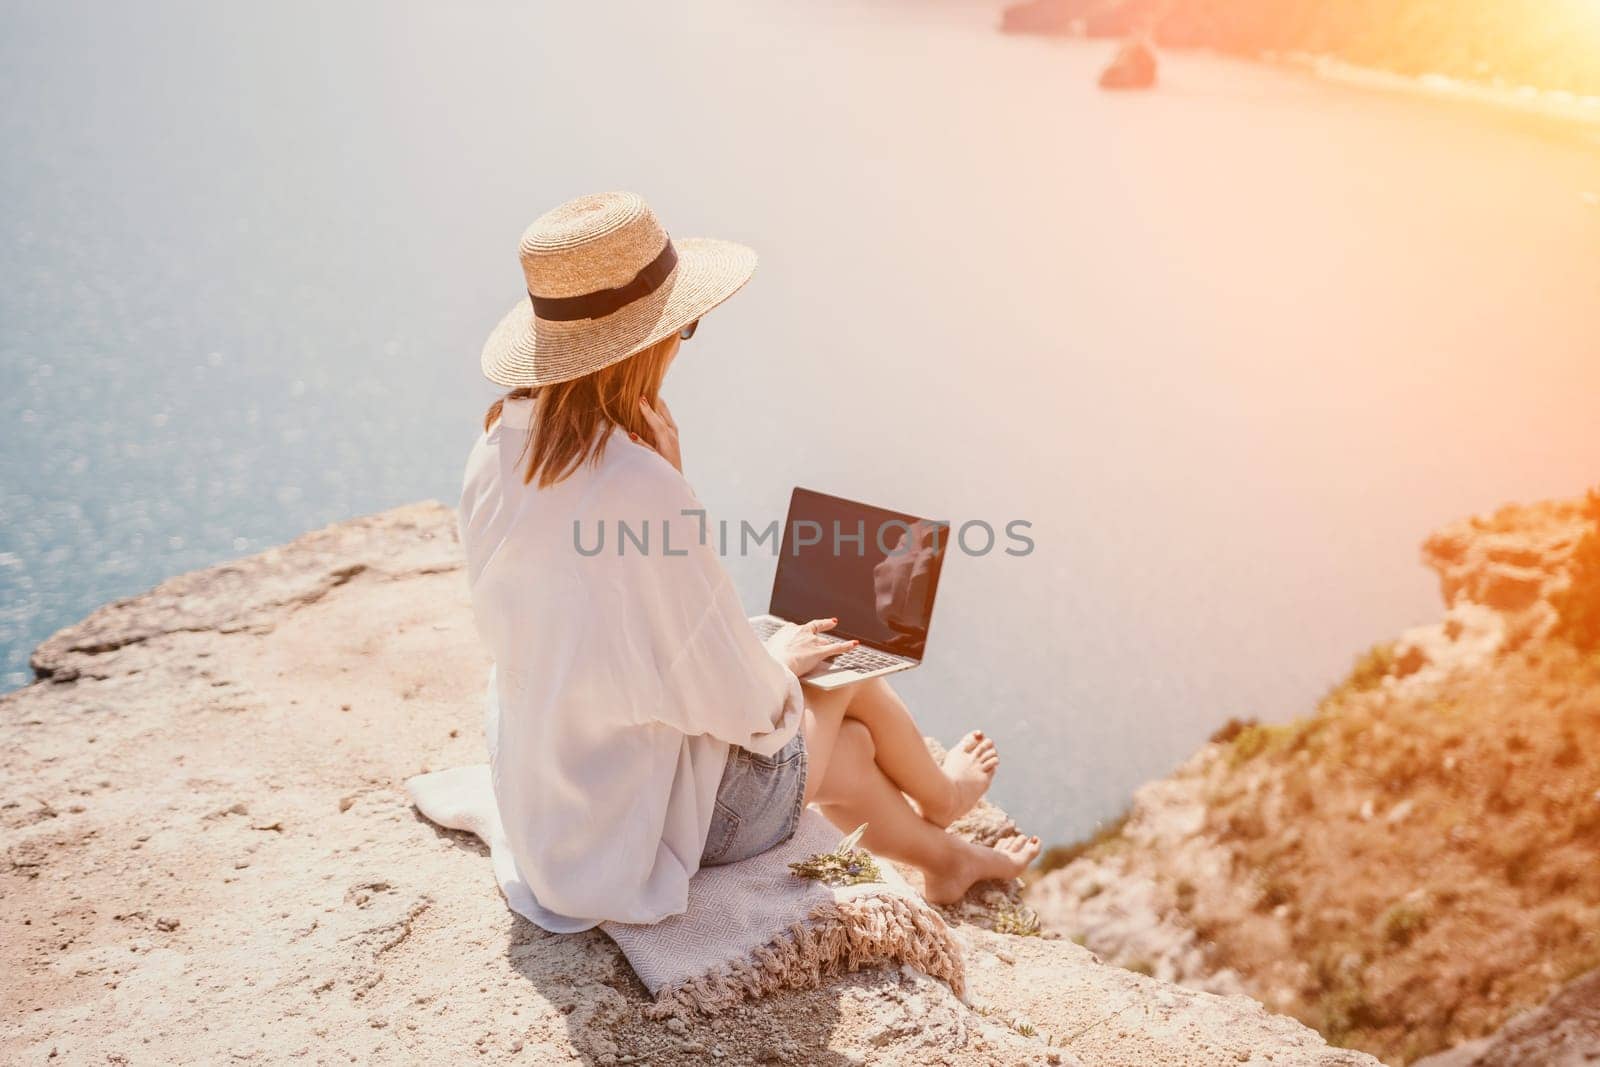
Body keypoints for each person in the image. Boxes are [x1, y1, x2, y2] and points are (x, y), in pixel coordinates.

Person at [458, 191, 1040, 933]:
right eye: (684, 326)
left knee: (849, 744)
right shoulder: (637, 487)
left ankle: (946, 856)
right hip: (629, 840)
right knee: (836, 679)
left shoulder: (495, 449)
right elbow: (750, 712)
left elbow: (615, 622)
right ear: (648, 341)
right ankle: (949, 801)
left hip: (554, 798)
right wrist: (776, 658)